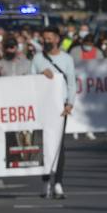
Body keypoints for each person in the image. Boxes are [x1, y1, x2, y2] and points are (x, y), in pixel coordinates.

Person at [33, 27, 76, 200]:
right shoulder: (37, 59)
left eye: (50, 38)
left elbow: (71, 83)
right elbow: (30, 82)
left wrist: (70, 103)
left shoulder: (67, 59)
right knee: (43, 143)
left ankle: (58, 182)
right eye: (44, 38)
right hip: (42, 107)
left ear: (57, 39)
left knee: (59, 145)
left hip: (60, 108)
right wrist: (40, 74)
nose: (47, 41)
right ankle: (45, 180)